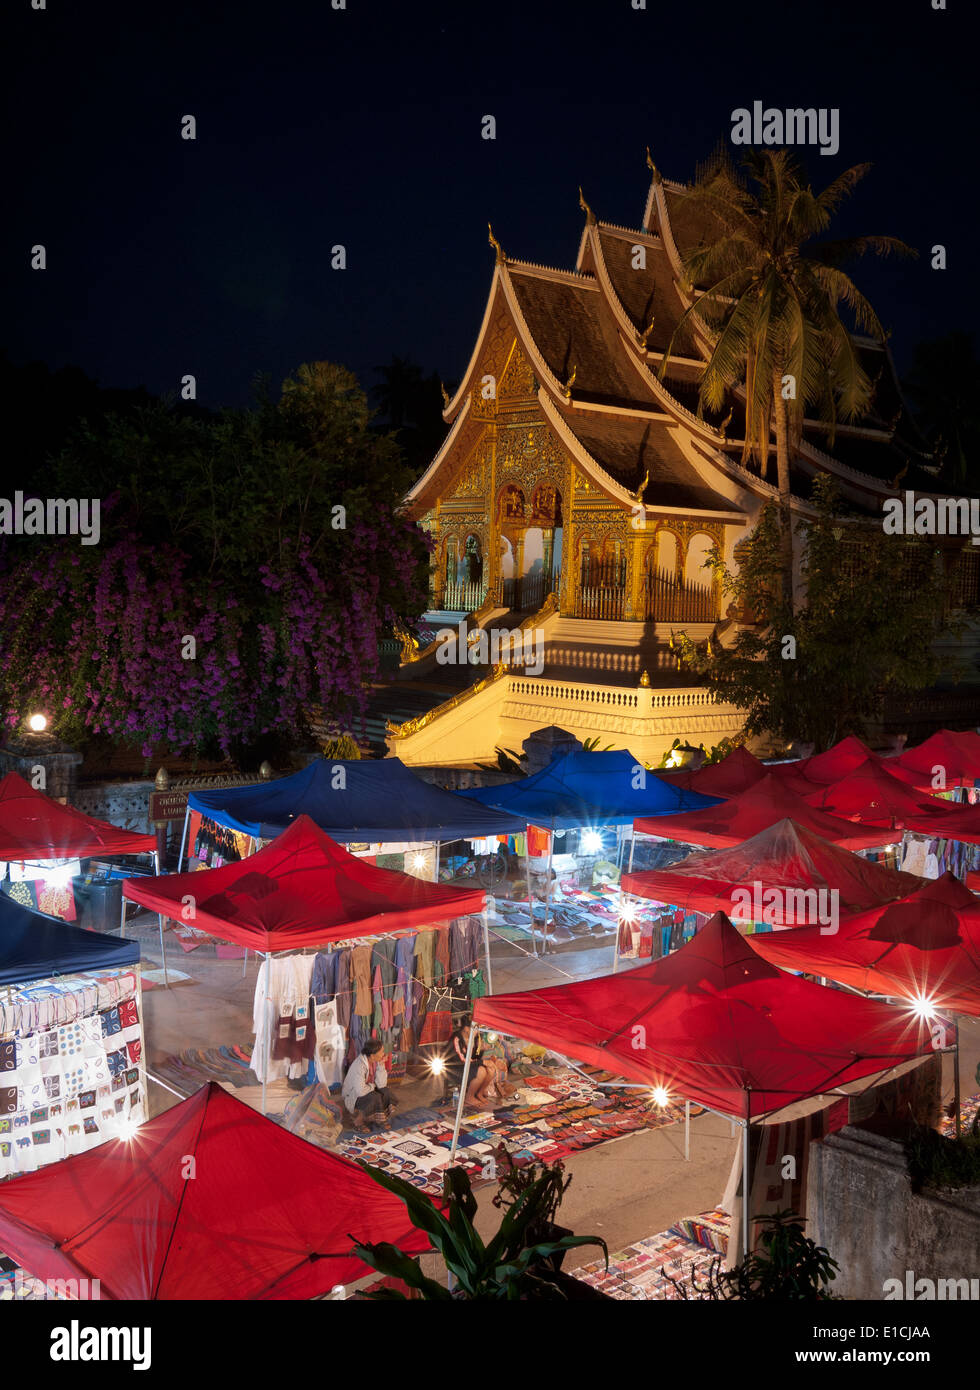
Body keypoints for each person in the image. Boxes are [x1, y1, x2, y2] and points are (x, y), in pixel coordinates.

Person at [447, 1020, 516, 1108]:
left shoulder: (476, 1037)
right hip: (456, 1069)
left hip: (472, 1065)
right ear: (466, 1029)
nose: (478, 1031)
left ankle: (479, 1093)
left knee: (491, 1069)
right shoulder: (456, 1039)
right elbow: (462, 1061)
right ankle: (469, 1097)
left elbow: (478, 1056)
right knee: (481, 1071)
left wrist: (489, 1056)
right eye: (476, 1029)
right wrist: (483, 1062)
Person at [342, 1039, 395, 1130]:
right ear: (372, 1055)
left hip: (365, 1090)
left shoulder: (374, 1061)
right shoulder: (360, 1066)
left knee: (385, 1091)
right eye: (381, 1051)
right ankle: (358, 1122)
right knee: (375, 1096)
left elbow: (382, 1085)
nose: (383, 1053)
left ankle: (378, 1118)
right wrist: (372, 1086)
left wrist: (381, 1065)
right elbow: (360, 1091)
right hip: (352, 1097)